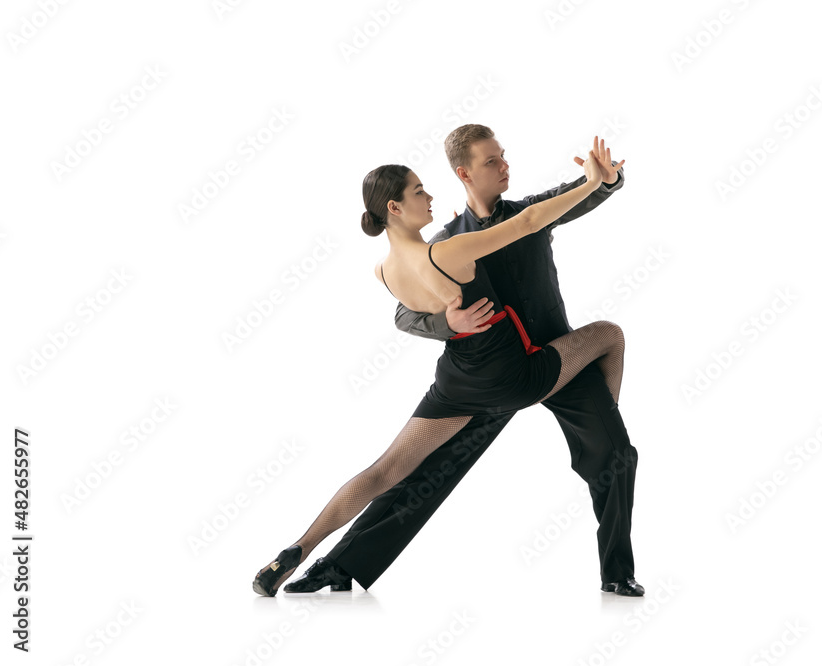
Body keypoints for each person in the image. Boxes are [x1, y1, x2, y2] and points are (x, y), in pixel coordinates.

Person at [252, 143, 626, 597]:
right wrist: (443, 321)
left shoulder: (384, 270)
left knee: (383, 471)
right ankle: (341, 565)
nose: (428, 197)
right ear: (464, 173)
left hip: (460, 383)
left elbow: (541, 210)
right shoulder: (449, 246)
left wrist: (603, 183)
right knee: (610, 332)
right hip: (519, 373)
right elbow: (526, 225)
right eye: (418, 191)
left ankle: (294, 552)